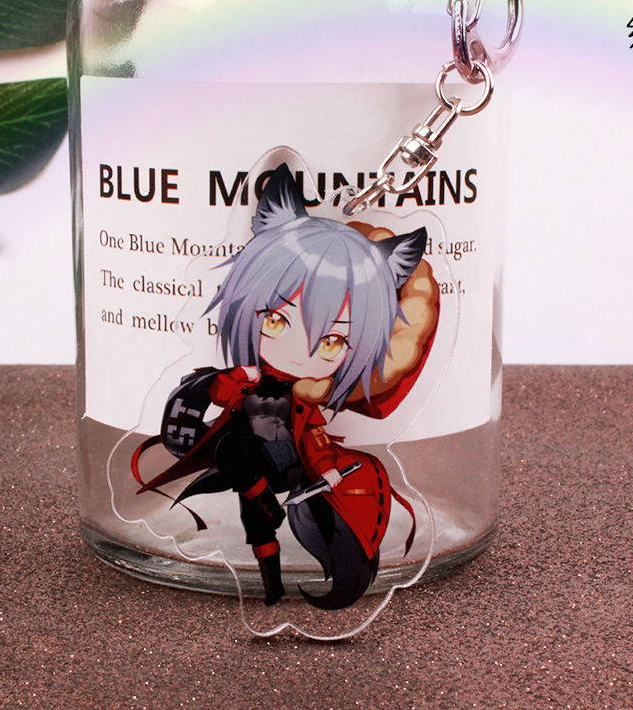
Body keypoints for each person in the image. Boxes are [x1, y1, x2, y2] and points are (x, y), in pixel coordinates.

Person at [134, 164, 439, 609]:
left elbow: (314, 439)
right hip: (250, 467)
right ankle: (272, 583)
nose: (299, 351)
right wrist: (223, 383)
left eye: (332, 341)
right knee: (252, 510)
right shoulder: (250, 378)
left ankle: (286, 520)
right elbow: (217, 398)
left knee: (241, 458)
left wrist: (329, 473)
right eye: (275, 320)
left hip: (287, 463)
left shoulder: (304, 399)